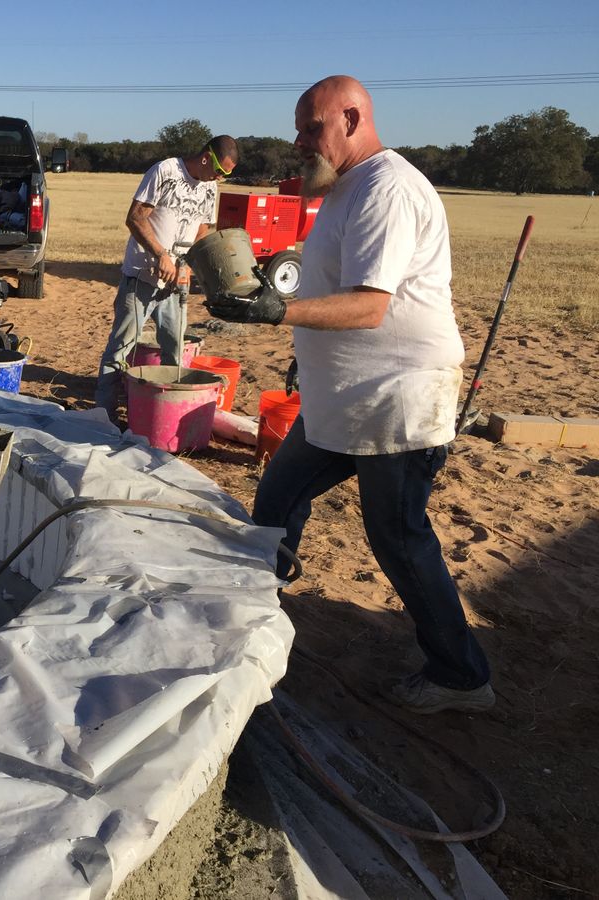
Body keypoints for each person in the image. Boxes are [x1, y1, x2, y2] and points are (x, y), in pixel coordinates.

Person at [200, 75, 493, 715]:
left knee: (398, 536)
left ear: (352, 119)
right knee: (278, 499)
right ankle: (252, 624)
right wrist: (307, 351)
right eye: (299, 129)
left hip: (396, 399)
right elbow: (336, 287)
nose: (300, 142)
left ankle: (462, 676)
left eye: (312, 128)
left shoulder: (386, 189)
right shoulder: (344, 187)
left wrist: (279, 313)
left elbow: (369, 306)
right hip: (346, 398)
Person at [94, 135, 238, 423]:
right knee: (121, 346)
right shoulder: (166, 171)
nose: (220, 178)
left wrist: (188, 265)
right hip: (141, 277)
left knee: (175, 348)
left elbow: (202, 229)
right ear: (206, 157)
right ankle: (104, 416)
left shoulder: (210, 187)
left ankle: (166, 415)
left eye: (227, 175)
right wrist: (161, 254)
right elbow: (135, 217)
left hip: (175, 284)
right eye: (220, 171)